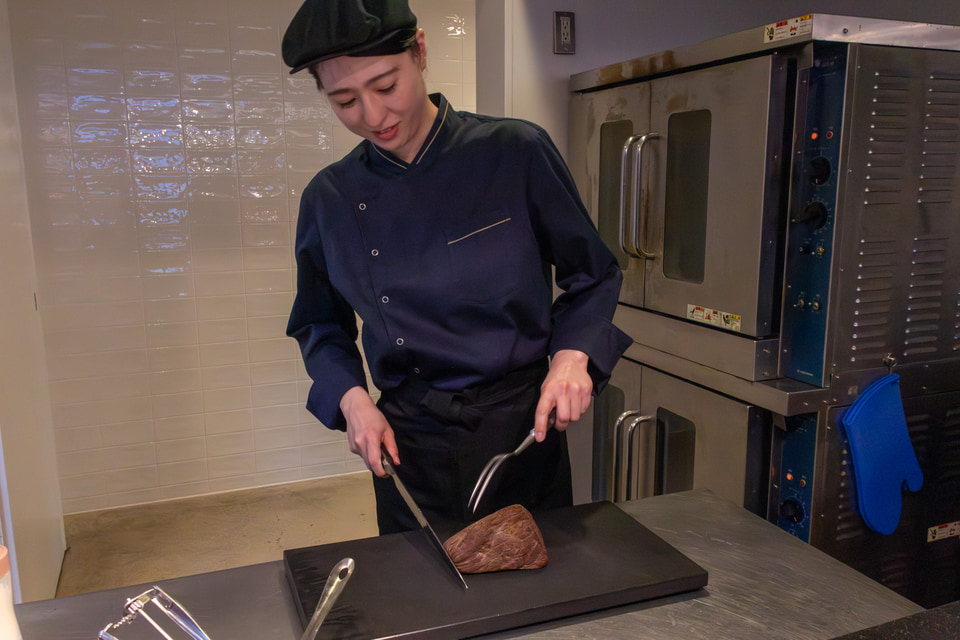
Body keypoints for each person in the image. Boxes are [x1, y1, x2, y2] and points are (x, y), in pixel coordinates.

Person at [282, 0, 631, 535]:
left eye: (385, 85)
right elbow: (319, 324)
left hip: (522, 432)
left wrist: (571, 356)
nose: (372, 116)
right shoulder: (329, 198)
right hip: (408, 443)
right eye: (345, 100)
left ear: (420, 52)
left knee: (540, 574)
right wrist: (353, 401)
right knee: (420, 579)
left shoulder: (514, 150)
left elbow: (594, 273)